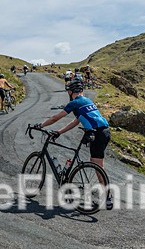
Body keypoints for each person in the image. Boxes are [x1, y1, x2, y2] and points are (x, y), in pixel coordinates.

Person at [37, 80, 112, 209]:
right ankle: (106, 195)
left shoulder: (74, 103)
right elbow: (75, 122)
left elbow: (56, 117)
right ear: (81, 91)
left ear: (70, 92)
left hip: (97, 133)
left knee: (97, 166)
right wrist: (59, 132)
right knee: (97, 164)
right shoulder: (87, 101)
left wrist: (41, 125)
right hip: (104, 132)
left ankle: (107, 197)